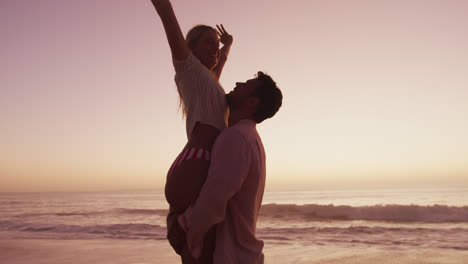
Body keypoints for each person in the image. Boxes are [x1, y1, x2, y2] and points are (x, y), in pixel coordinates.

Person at [150, 0, 233, 263]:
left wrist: (227, 47)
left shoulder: (207, 81)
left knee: (203, 248)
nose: (215, 49)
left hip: (202, 162)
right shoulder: (187, 68)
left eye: (216, 45)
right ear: (191, 47)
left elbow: (216, 73)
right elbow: (167, 18)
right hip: (197, 160)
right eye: (209, 42)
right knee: (199, 250)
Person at [177, 72, 283, 264]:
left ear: (252, 103)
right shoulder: (248, 138)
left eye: (246, 84)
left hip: (231, 257)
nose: (238, 83)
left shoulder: (236, 137)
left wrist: (191, 235)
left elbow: (214, 198)